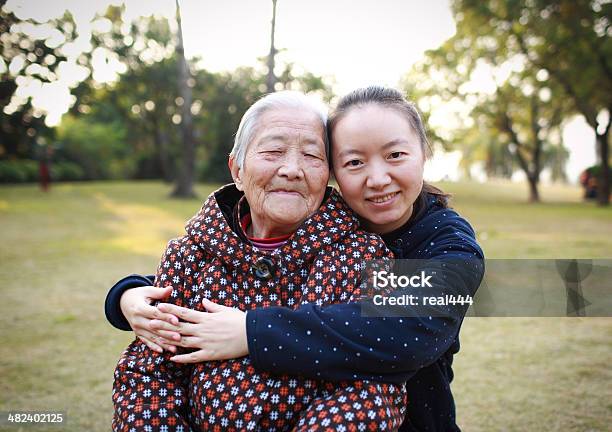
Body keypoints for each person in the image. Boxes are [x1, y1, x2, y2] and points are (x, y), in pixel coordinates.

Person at [107, 86, 485, 431]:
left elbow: (410, 328)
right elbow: (155, 360)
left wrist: (250, 332)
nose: (377, 178)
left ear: (424, 155)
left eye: (396, 155)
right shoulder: (197, 252)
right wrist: (129, 294)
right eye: (354, 162)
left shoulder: (438, 244)